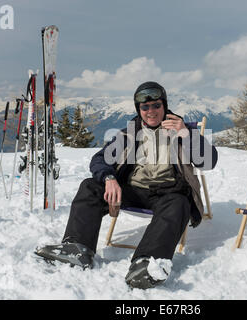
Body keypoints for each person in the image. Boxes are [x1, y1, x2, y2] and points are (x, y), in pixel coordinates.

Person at [36, 81, 218, 289]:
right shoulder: (129, 133)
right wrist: (109, 179)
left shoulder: (180, 131)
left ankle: (147, 262)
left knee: (179, 204)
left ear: (164, 106)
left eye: (157, 105)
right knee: (90, 186)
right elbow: (99, 160)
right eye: (145, 107)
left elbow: (209, 161)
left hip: (168, 193)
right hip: (131, 190)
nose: (151, 111)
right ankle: (78, 247)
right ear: (139, 110)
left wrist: (187, 134)